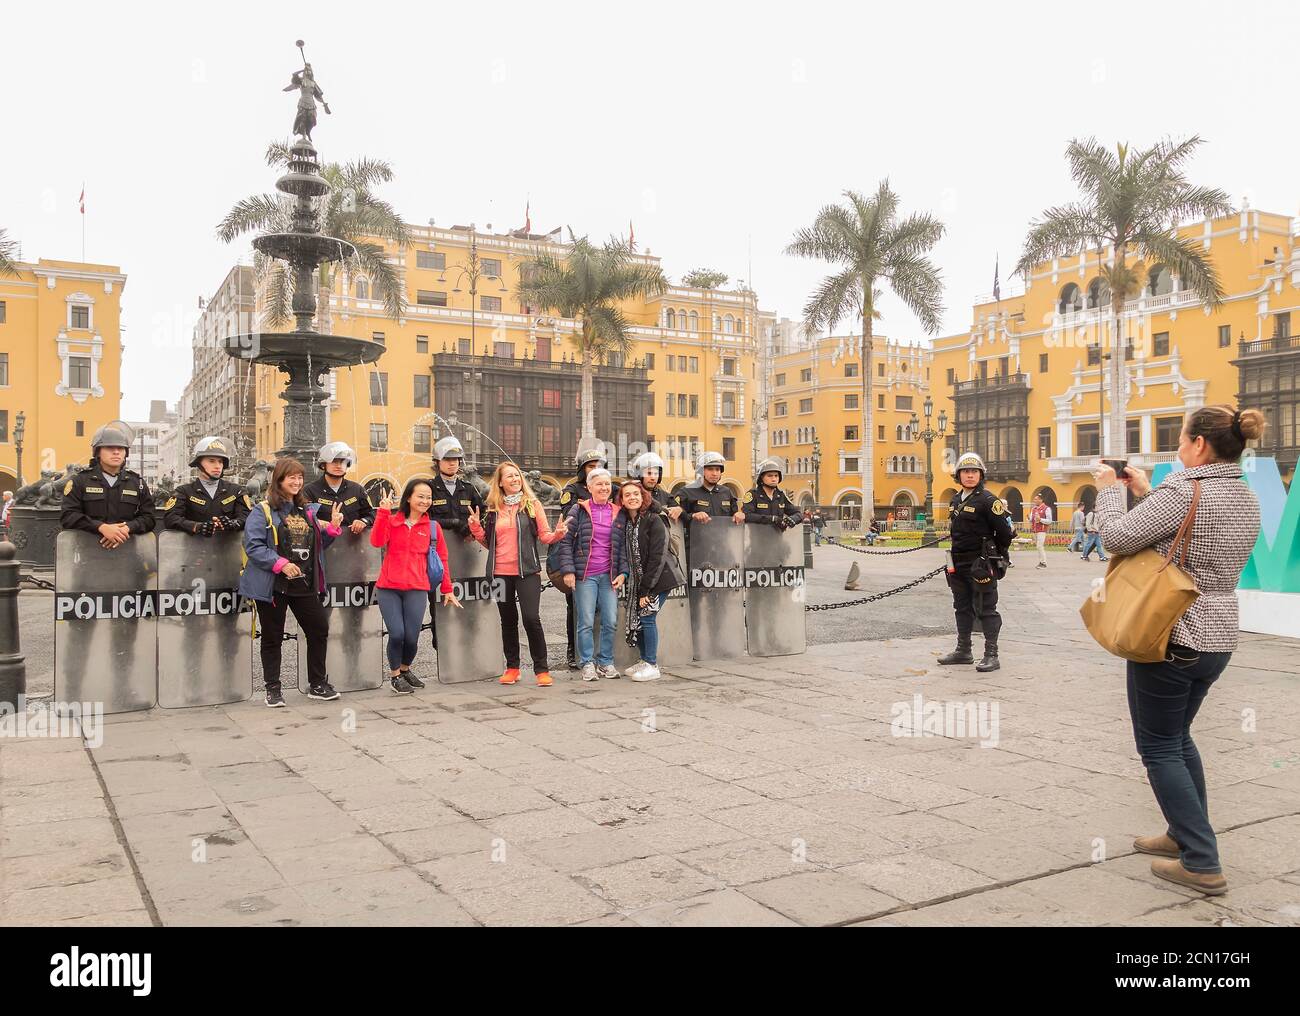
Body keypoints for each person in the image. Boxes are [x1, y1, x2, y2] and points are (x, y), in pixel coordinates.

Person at [1093, 405, 1264, 897]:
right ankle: (1181, 835)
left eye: (1183, 439)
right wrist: (1146, 493)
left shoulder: (1185, 489)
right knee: (1178, 738)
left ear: (1199, 445)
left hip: (1173, 633)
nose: (1178, 447)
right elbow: (1192, 536)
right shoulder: (1243, 494)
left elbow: (1115, 538)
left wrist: (1109, 490)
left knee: (1160, 746)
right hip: (1218, 636)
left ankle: (1202, 862)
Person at [239, 458, 343, 707]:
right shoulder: (262, 510)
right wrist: (280, 563)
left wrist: (330, 530)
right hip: (274, 584)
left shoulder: (306, 510)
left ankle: (317, 683)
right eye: (291, 477)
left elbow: (314, 547)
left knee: (318, 629)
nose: (297, 482)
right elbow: (252, 545)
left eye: (299, 477)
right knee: (272, 636)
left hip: (303, 582)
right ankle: (273, 688)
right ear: (279, 480)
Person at [468, 462, 567, 687]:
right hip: (499, 574)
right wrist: (475, 528)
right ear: (500, 482)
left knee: (531, 619)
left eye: (517, 475)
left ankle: (541, 669)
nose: (514, 479)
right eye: (509, 476)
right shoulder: (493, 508)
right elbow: (488, 542)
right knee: (508, 620)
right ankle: (512, 667)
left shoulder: (532, 505)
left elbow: (544, 536)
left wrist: (557, 535)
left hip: (528, 571)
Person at [371, 478, 459, 694]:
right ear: (408, 497)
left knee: (412, 636)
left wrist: (447, 589)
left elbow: (443, 559)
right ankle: (394, 676)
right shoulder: (392, 521)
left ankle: (405, 669)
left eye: (429, 497)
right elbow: (377, 541)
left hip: (417, 588)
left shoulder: (432, 527)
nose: (425, 501)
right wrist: (382, 513)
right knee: (397, 633)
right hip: (389, 588)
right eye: (420, 496)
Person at [938, 452, 1014, 672]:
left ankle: (992, 654)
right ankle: (964, 650)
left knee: (986, 608)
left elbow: (1005, 533)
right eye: (965, 471)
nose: (970, 475)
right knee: (961, 607)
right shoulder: (955, 500)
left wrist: (994, 557)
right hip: (958, 562)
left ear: (981, 475)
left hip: (980, 563)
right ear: (958, 475)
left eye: (974, 472)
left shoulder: (989, 501)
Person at [551, 468, 627, 682]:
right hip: (585, 575)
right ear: (590, 487)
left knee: (610, 620)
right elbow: (566, 541)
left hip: (608, 575)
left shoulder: (617, 511)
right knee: (585, 621)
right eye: (599, 484)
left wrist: (623, 572)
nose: (604, 488)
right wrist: (568, 571)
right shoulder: (579, 510)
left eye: (607, 484)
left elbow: (621, 546)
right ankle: (587, 663)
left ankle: (605, 661)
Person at [425, 436, 486, 654]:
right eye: (448, 459)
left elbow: (483, 516)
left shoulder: (469, 489)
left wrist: (474, 525)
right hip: (437, 558)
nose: (453, 463)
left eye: (457, 459)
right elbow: (424, 519)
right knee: (439, 603)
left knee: (469, 600)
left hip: (467, 556)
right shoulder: (429, 488)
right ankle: (443, 646)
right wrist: (455, 523)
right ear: (437, 461)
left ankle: (469, 643)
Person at [618, 482, 682, 682]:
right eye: (627, 495)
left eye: (636, 494)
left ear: (643, 496)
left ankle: (652, 665)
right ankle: (644, 660)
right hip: (641, 580)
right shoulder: (630, 522)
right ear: (622, 500)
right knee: (639, 620)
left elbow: (657, 556)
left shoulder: (654, 519)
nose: (632, 498)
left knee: (647, 617)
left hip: (659, 579)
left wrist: (646, 590)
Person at [557, 447, 612, 669]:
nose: (596, 470)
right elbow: (570, 518)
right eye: (591, 466)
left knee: (605, 614)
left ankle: (603, 656)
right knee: (577, 610)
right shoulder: (571, 489)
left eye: (599, 466)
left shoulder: (608, 485)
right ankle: (574, 651)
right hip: (581, 560)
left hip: (604, 564)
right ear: (582, 470)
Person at [61, 421, 156, 545]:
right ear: (98, 452)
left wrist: (127, 528)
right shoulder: (80, 481)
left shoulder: (137, 482)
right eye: (110, 448)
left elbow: (149, 518)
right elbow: (68, 516)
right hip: (88, 550)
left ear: (125, 453)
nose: (116, 452)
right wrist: (100, 527)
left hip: (127, 550)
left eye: (120, 448)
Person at [163, 436, 252, 535]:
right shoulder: (184, 491)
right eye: (211, 461)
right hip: (193, 549)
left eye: (220, 461)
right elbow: (171, 519)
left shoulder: (237, 491)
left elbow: (247, 517)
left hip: (228, 549)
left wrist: (234, 524)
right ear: (198, 463)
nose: (218, 466)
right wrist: (196, 527)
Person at [302, 442, 374, 535]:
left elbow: (371, 513)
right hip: (323, 546)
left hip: (353, 546)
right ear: (323, 465)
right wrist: (318, 522)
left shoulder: (357, 490)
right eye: (334, 461)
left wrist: (363, 521)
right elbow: (303, 518)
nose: (339, 465)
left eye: (343, 462)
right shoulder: (309, 491)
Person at [742, 458, 803, 531]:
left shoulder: (781, 495)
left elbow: (798, 513)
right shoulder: (753, 494)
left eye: (776, 476)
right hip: (758, 539)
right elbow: (747, 515)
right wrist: (772, 519)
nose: (774, 479)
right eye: (770, 476)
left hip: (777, 539)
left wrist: (793, 519)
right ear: (761, 477)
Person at [628, 451, 682, 521]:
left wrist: (679, 509)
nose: (653, 477)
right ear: (640, 475)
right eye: (649, 473)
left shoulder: (667, 497)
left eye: (656, 474)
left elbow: (685, 517)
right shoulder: (631, 496)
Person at [1028, 492, 1052, 568]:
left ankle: (1043, 562)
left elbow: (1049, 520)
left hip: (1042, 530)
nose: (1035, 500)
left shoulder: (1046, 509)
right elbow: (1032, 519)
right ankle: (1041, 561)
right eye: (1034, 499)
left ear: (1041, 500)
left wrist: (1040, 519)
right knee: (1038, 547)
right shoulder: (1034, 509)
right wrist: (1029, 518)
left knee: (1039, 546)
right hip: (1035, 530)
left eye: (1036, 499)